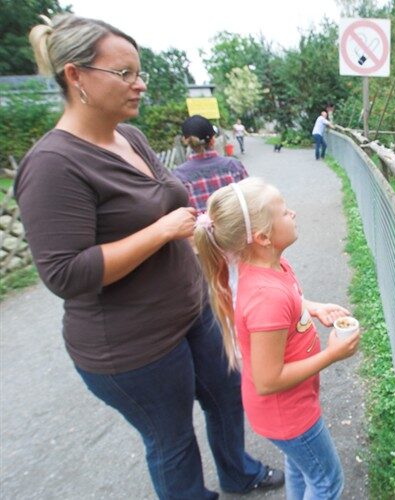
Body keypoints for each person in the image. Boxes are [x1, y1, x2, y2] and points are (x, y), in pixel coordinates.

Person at [15, 14, 283, 499]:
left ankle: (238, 473)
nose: (139, 84)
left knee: (227, 395)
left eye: (139, 72)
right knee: (172, 440)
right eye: (124, 74)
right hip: (131, 345)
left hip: (192, 312)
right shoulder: (52, 166)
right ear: (76, 76)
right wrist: (160, 232)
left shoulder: (130, 137)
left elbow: (175, 205)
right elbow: (65, 273)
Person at [194, 177, 362, 499]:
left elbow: (287, 300)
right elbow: (268, 380)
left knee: (300, 469)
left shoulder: (271, 266)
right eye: (284, 212)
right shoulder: (265, 296)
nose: (293, 213)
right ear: (262, 237)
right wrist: (333, 354)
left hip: (288, 409)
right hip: (290, 414)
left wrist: (311, 308)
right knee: (327, 482)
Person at [173, 115, 249, 211]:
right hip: (235, 225)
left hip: (199, 226)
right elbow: (251, 199)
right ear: (213, 139)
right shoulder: (234, 165)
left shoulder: (178, 175)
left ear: (185, 141)